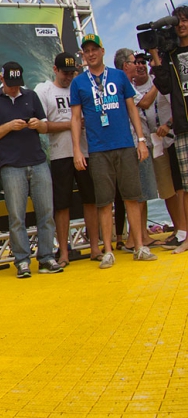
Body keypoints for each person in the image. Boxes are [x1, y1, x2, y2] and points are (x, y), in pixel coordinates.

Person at [70, 34, 157, 269]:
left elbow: (132, 109)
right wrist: (77, 150)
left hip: (125, 145)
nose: (90, 53)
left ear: (103, 51)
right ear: (83, 54)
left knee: (132, 197)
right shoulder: (78, 82)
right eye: (86, 50)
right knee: (104, 201)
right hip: (98, 150)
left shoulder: (118, 76)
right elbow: (76, 118)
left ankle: (139, 246)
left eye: (94, 49)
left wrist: (140, 140)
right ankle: (108, 251)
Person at [0, 62, 63, 278]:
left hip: (38, 161)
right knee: (17, 217)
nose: (14, 88)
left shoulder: (31, 96)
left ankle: (47, 258)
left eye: (17, 84)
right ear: (1, 79)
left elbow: (45, 127)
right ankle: (22, 261)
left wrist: (38, 124)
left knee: (46, 213)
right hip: (11, 165)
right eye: (10, 84)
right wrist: (9, 126)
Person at [34, 52, 100, 265]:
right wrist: (71, 124)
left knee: (90, 199)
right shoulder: (45, 90)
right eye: (64, 73)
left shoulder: (81, 86)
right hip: (59, 153)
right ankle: (63, 251)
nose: (68, 77)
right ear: (55, 69)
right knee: (62, 204)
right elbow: (42, 126)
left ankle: (94, 247)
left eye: (72, 73)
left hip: (86, 151)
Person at [116, 47, 164, 250]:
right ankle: (133, 238)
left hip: (137, 142)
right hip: (133, 143)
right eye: (134, 61)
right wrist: (159, 81)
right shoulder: (122, 81)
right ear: (126, 65)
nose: (137, 65)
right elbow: (145, 102)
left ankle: (142, 234)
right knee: (137, 193)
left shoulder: (125, 83)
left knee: (142, 193)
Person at [151, 4, 188, 254]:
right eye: (177, 21)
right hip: (184, 125)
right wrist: (156, 53)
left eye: (185, 20)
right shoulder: (171, 53)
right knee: (186, 185)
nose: (182, 24)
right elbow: (164, 86)